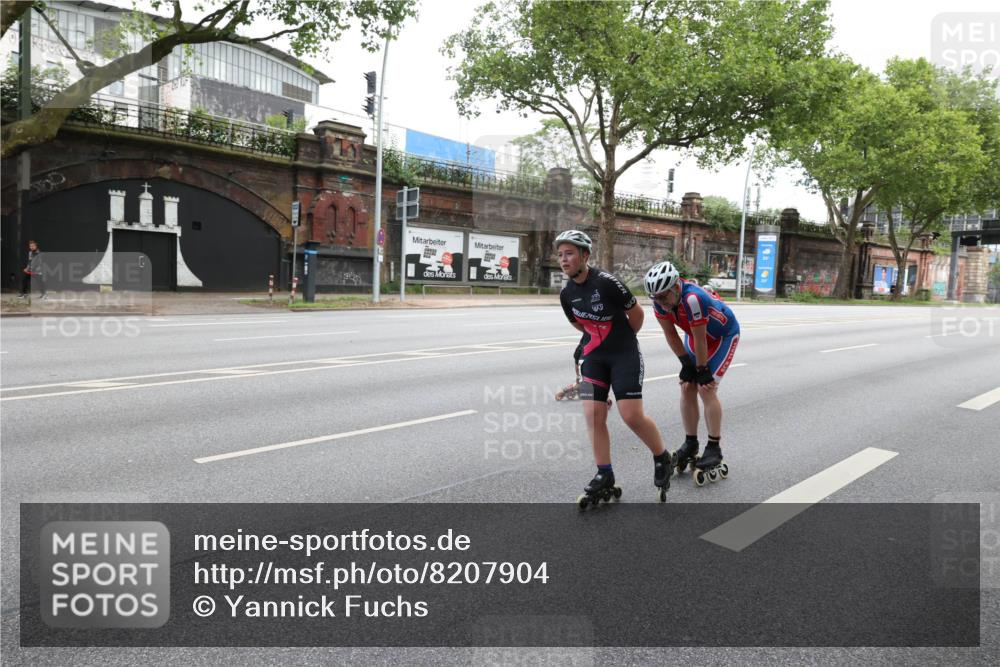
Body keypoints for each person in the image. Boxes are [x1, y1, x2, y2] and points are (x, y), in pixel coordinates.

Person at [555, 230, 673, 506]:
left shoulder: (607, 283)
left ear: (585, 255)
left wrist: (623, 340)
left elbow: (637, 314)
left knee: (631, 415)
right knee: (593, 415)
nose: (563, 259)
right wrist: (595, 340)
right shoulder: (566, 294)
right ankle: (604, 473)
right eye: (560, 255)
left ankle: (661, 456)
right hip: (594, 357)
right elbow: (578, 324)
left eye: (569, 253)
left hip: (623, 354)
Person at [644, 260, 740, 486]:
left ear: (676, 287)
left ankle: (714, 447)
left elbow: (700, 338)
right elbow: (671, 334)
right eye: (655, 298)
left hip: (722, 337)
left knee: (706, 389)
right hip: (697, 336)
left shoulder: (693, 298)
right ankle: (691, 442)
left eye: (663, 296)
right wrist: (685, 363)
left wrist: (702, 370)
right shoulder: (659, 303)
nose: (660, 302)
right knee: (687, 386)